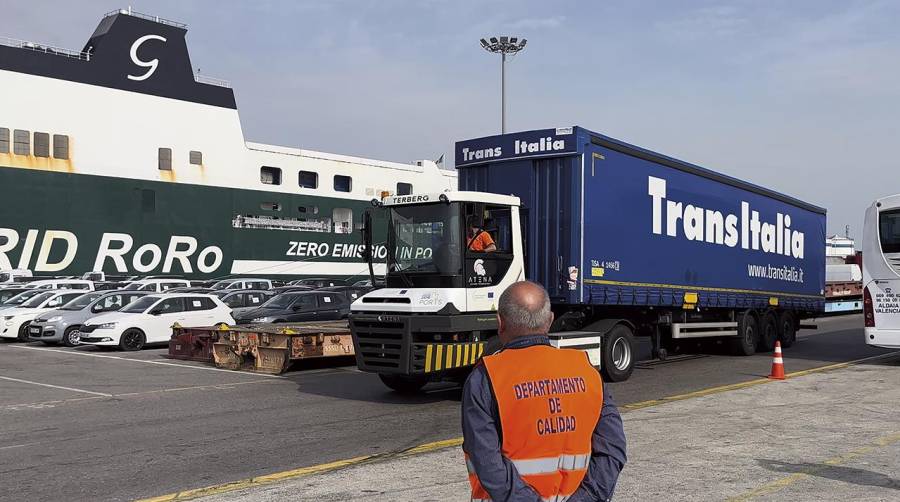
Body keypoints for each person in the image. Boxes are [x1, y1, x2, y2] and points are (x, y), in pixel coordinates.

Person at [462, 281, 627, 501]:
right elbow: (613, 448)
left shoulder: (485, 377)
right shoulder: (586, 370)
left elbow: (487, 462)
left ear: (500, 323)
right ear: (549, 321)